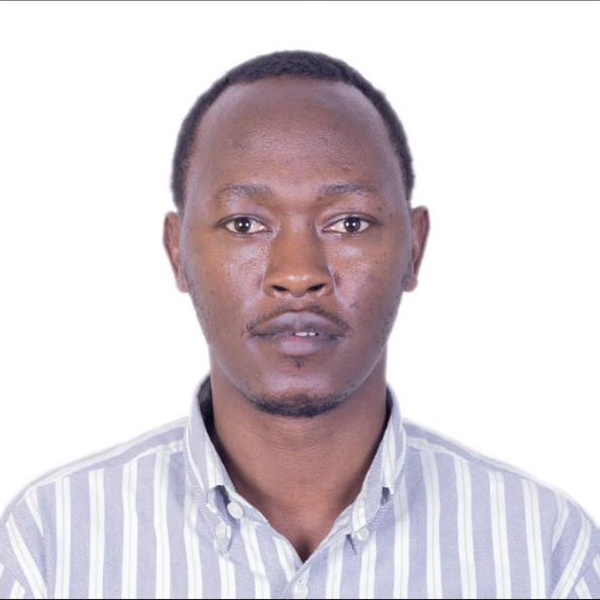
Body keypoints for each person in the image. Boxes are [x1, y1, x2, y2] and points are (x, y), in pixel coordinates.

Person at [0, 50, 598, 600]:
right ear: (177, 253)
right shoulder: (52, 543)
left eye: (349, 223)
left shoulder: (541, 548)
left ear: (414, 249)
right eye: (244, 224)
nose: (297, 274)